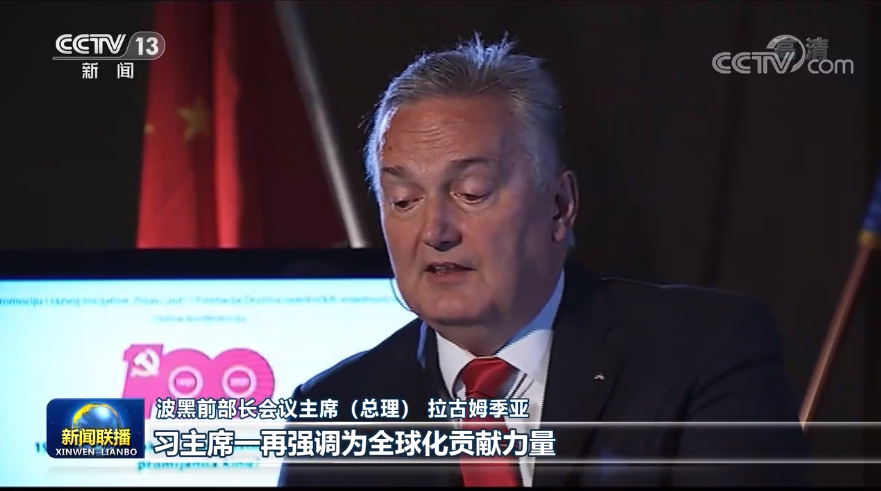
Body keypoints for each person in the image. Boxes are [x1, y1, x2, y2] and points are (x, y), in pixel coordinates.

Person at [278, 35, 809, 487]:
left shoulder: (704, 349)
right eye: (403, 201)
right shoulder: (334, 410)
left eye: (471, 192)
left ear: (558, 206)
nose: (435, 232)